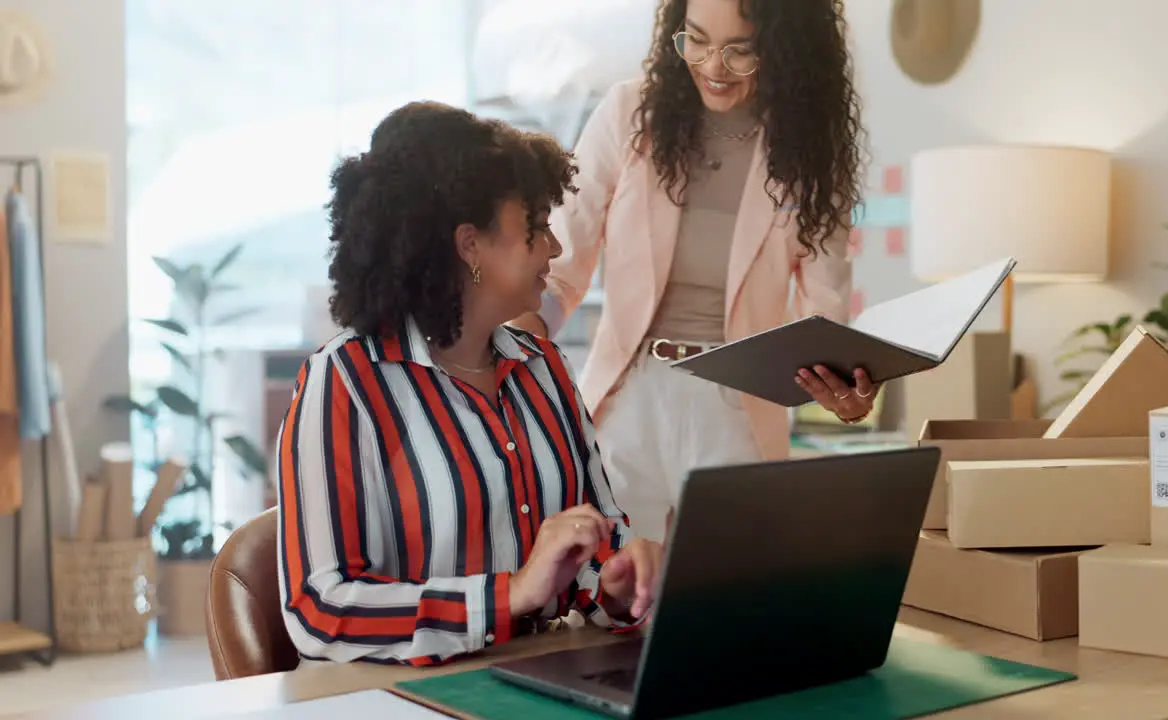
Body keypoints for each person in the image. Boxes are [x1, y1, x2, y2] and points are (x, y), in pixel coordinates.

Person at [276, 101, 662, 666]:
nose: (555, 248)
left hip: (542, 677)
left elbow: (597, 543)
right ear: (469, 245)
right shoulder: (346, 382)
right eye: (534, 227)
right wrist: (510, 596)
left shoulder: (543, 368)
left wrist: (622, 580)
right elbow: (319, 610)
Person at [510, 0, 880, 541]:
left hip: (737, 404)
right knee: (610, 596)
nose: (712, 65)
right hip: (628, 397)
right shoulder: (629, 114)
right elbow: (562, 262)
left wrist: (842, 387)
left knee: (725, 600)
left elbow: (824, 308)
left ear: (784, 49)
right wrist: (510, 347)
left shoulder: (810, 152)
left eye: (740, 50)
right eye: (697, 40)